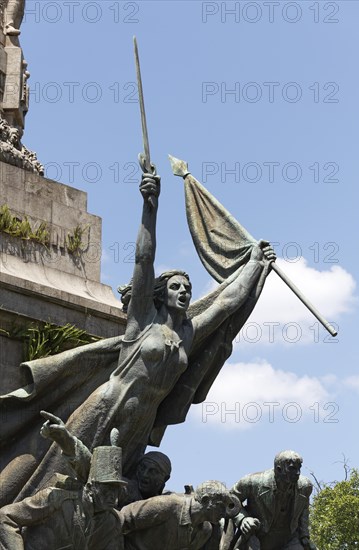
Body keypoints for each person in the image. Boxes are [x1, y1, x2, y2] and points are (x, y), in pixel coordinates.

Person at [0, 172, 275, 504]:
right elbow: (144, 258)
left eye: (188, 289)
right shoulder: (142, 320)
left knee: (107, 494)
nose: (184, 292)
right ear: (161, 294)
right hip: (108, 406)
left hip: (141, 424)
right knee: (60, 472)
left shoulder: (188, 334)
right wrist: (150, 207)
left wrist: (256, 266)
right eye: (176, 287)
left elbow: (227, 303)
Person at [0, 445, 127, 549]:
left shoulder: (111, 522)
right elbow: (6, 517)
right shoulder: (56, 498)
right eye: (107, 488)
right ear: (91, 486)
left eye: (116, 489)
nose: (113, 496)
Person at [40, 410, 172, 503]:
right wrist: (65, 439)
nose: (145, 474)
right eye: (142, 468)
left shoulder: (168, 502)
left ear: (165, 479)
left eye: (153, 471)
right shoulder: (130, 490)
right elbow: (94, 469)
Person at [223, 450, 317, 550]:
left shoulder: (305, 486)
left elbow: (304, 510)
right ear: (279, 469)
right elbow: (229, 501)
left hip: (289, 540)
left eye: (299, 468)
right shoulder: (252, 482)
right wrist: (243, 519)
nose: (298, 473)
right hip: (257, 537)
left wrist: (304, 536)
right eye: (292, 469)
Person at [119, 480, 241, 550]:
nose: (224, 513)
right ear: (205, 500)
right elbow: (120, 520)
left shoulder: (205, 530)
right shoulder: (165, 505)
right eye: (220, 506)